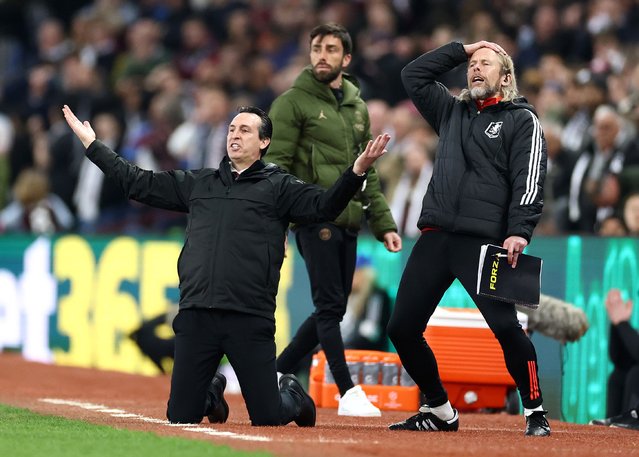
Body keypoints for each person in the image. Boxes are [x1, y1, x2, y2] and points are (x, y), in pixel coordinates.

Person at [62, 103, 391, 427]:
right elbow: (138, 182)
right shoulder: (200, 182)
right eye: (232, 129)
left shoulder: (280, 187)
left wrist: (356, 171)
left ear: (264, 142)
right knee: (181, 416)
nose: (235, 135)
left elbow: (325, 206)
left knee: (268, 416)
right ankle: (212, 393)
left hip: (249, 316)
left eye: (245, 130)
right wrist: (93, 145)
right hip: (197, 314)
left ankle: (292, 392)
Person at [386, 41, 550, 436]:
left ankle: (535, 411)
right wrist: (464, 48)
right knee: (401, 328)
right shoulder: (450, 111)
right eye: (472, 65)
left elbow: (528, 179)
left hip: (484, 243)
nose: (475, 68)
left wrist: (518, 232)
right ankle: (440, 409)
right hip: (437, 234)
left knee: (507, 329)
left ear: (506, 77)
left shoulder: (522, 119)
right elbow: (413, 75)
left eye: (486, 64)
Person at [268, 23, 402, 417]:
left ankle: (273, 371)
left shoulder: (357, 107)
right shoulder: (291, 103)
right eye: (315, 48)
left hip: (349, 219)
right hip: (312, 217)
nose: (321, 55)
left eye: (330, 49)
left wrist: (385, 224)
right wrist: (281, 221)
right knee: (329, 307)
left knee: (334, 308)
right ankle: (347, 391)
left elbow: (368, 172)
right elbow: (276, 166)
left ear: (346, 59)